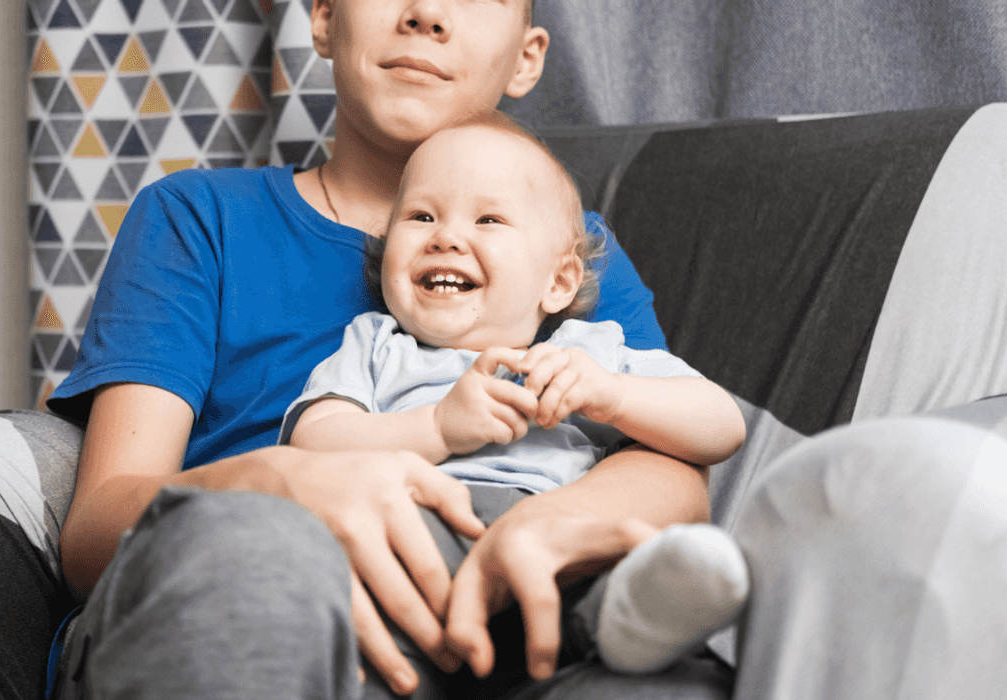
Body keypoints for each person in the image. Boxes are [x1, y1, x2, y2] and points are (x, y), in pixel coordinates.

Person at [46, 0, 720, 697]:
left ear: (527, 57)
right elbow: (94, 537)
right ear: (323, 19)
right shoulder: (199, 217)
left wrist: (544, 528)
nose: (426, 12)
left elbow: (675, 469)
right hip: (247, 591)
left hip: (514, 613)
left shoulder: (564, 244)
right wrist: (280, 483)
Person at [280, 112, 749, 687]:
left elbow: (723, 425)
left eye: (489, 219)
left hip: (558, 537)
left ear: (559, 282)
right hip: (425, 527)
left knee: (608, 577)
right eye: (421, 216)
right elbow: (313, 440)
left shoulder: (587, 352)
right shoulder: (377, 344)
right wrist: (438, 427)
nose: (446, 236)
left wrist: (614, 396)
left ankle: (624, 618)